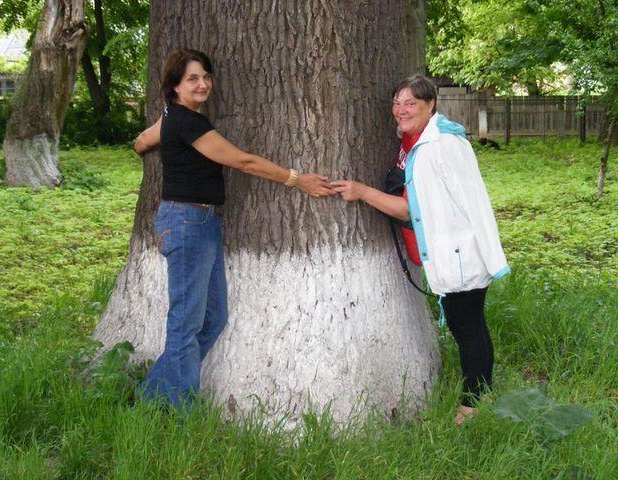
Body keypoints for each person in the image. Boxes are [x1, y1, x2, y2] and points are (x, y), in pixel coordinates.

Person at [133, 49, 334, 408]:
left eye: (205, 77)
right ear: (175, 86)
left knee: (213, 316)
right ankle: (182, 415)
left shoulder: (172, 118)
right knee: (186, 322)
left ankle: (150, 395)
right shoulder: (188, 123)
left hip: (202, 222)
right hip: (185, 222)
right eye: (192, 78)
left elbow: (143, 141)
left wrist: (145, 144)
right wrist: (296, 179)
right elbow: (243, 161)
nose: (202, 84)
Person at [331, 76, 509, 425]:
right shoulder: (423, 140)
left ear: (431, 105)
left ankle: (472, 406)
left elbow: (410, 209)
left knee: (467, 329)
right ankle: (481, 394)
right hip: (460, 250)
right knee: (472, 325)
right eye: (397, 102)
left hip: (460, 254)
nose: (401, 109)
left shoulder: (436, 148)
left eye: (411, 102)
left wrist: (361, 191)